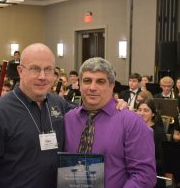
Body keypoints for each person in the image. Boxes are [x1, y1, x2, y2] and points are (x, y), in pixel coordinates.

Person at [0, 43, 127, 188]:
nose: (42, 76)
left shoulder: (58, 104)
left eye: (48, 69)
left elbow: (89, 112)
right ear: (20, 71)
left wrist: (113, 102)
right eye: (35, 69)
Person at [64, 57, 156, 188]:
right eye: (87, 81)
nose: (92, 87)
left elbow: (144, 175)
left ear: (112, 85)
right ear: (79, 85)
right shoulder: (68, 119)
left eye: (100, 82)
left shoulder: (132, 122)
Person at [137, 99, 167, 188]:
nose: (141, 113)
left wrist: (142, 163)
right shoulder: (133, 129)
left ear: (153, 114)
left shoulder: (159, 133)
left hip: (153, 176)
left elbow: (162, 160)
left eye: (146, 110)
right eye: (139, 110)